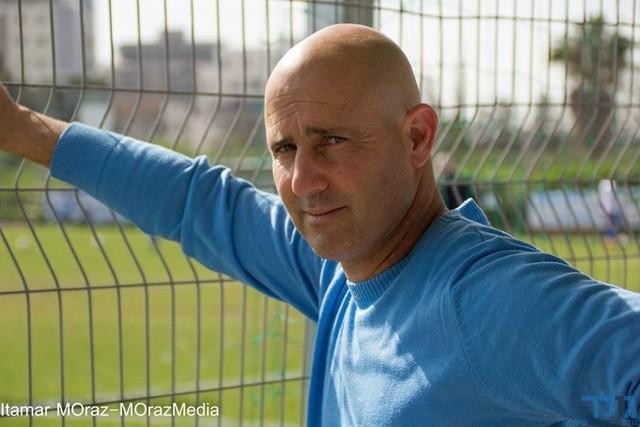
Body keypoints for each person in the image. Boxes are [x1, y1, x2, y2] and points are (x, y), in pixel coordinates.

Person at [1, 24, 639, 427]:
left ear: (417, 137)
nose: (303, 180)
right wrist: (22, 129)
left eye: (332, 140)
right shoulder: (339, 267)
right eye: (285, 149)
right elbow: (198, 202)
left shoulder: (486, 297)